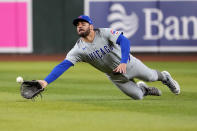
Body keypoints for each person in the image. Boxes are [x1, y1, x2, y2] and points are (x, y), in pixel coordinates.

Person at [38, 15, 180, 100]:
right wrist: (45, 82)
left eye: (83, 24)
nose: (79, 26)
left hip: (130, 64)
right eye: (77, 25)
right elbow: (63, 65)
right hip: (115, 76)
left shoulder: (104, 33)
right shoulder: (78, 49)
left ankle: (166, 78)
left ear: (91, 26)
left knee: (151, 77)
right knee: (138, 96)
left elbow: (124, 41)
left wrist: (123, 62)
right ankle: (143, 89)